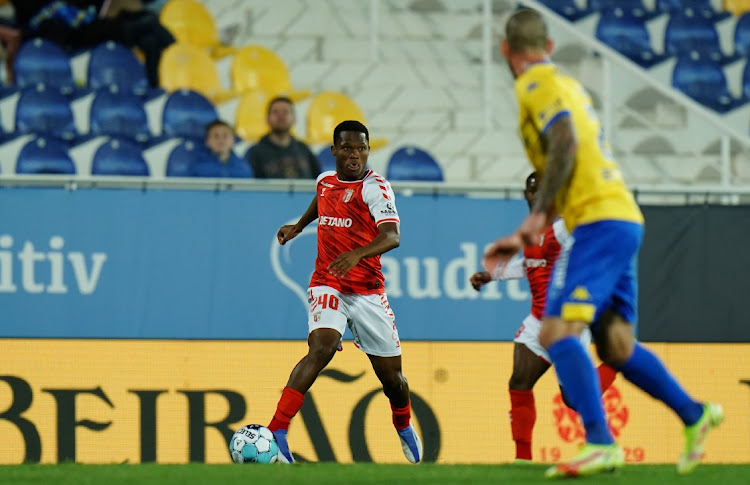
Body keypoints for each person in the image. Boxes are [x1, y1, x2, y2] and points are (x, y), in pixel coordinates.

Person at [483, 8, 722, 478]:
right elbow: (574, 158)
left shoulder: (534, 85)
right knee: (615, 345)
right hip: (621, 216)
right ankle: (695, 415)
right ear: (550, 47)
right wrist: (530, 229)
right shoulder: (570, 86)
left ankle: (599, 442)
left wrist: (533, 220)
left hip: (598, 221)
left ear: (506, 51)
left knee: (557, 332)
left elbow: (565, 143)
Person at [267, 120, 423, 464]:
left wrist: (357, 254)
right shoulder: (325, 181)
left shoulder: (376, 188)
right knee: (321, 348)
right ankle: (278, 430)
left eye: (362, 149)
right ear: (334, 150)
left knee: (393, 380)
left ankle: (403, 424)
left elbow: (393, 236)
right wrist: (299, 226)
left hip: (367, 291)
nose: (355, 155)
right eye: (348, 148)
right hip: (328, 281)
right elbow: (320, 201)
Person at [470, 171, 617, 463]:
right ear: (525, 195)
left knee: (573, 400)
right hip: (537, 322)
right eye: (531, 190)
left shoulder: (565, 229)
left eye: (543, 190)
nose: (536, 195)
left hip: (566, 326)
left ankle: (616, 363)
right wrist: (492, 275)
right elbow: (531, 263)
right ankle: (522, 460)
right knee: (518, 383)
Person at [10, 0, 174, 87]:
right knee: (148, 23)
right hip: (63, 33)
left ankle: (154, 88)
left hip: (84, 26)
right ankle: (177, 49)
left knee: (150, 40)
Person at [246, 96, 322, 179]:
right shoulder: (255, 153)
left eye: (286, 112)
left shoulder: (304, 149)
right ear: (267, 119)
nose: (281, 116)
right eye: (275, 112)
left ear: (294, 119)